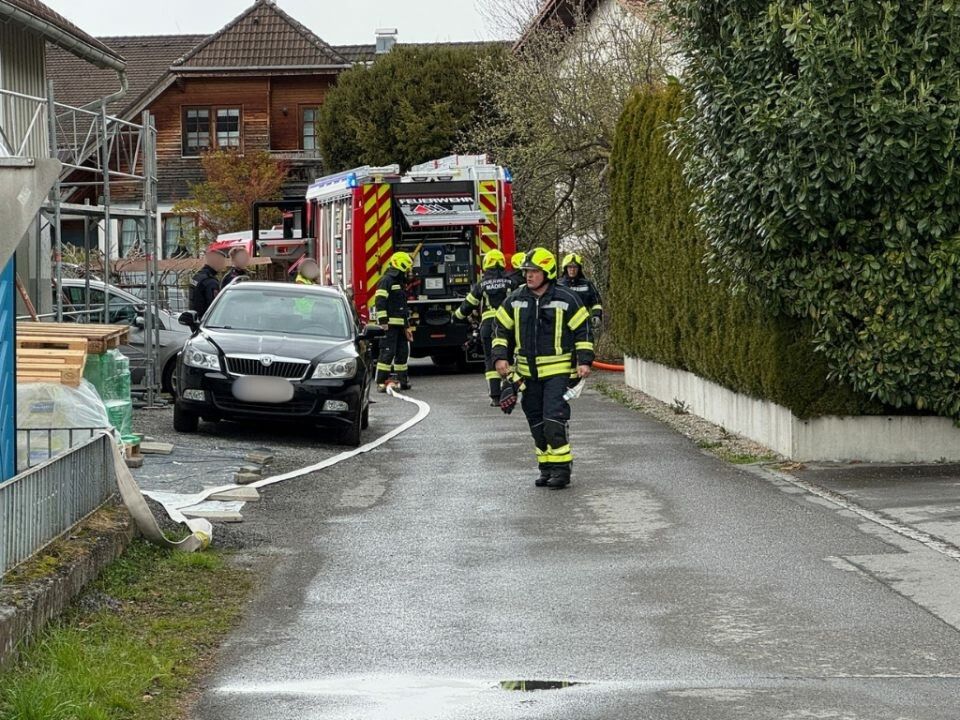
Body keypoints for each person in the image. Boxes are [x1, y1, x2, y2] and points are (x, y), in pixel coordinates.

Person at [493, 247, 594, 489]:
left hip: (557, 374)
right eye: (527, 271)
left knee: (553, 420)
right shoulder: (516, 299)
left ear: (547, 272)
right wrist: (499, 357)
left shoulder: (566, 298)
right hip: (527, 375)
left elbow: (583, 330)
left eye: (534, 271)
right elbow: (500, 329)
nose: (529, 276)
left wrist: (584, 360)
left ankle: (562, 470)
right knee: (536, 423)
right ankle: (546, 467)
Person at [454, 249, 514, 405]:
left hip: (488, 326)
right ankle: (510, 392)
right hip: (508, 325)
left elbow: (468, 305)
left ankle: (495, 397)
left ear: (486, 264)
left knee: (490, 359)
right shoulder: (512, 282)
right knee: (508, 357)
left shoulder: (482, 284)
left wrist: (456, 317)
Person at [374, 251, 414, 392]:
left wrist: (407, 327)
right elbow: (380, 301)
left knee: (402, 353)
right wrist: (383, 321)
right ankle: (380, 382)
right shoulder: (387, 280)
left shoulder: (399, 282)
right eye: (407, 267)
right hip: (389, 325)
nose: (410, 271)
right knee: (387, 353)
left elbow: (402, 308)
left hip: (400, 325)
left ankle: (402, 381)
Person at [558, 253, 603, 327]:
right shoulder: (558, 285)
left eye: (575, 267)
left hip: (583, 325)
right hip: (563, 325)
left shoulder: (587, 284)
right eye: (570, 267)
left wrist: (596, 315)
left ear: (579, 269)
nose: (572, 270)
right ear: (565, 268)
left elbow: (596, 302)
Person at [190, 248, 227, 318]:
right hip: (206, 319)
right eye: (222, 262)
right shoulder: (210, 281)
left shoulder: (197, 276)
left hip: (195, 318)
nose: (223, 266)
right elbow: (214, 306)